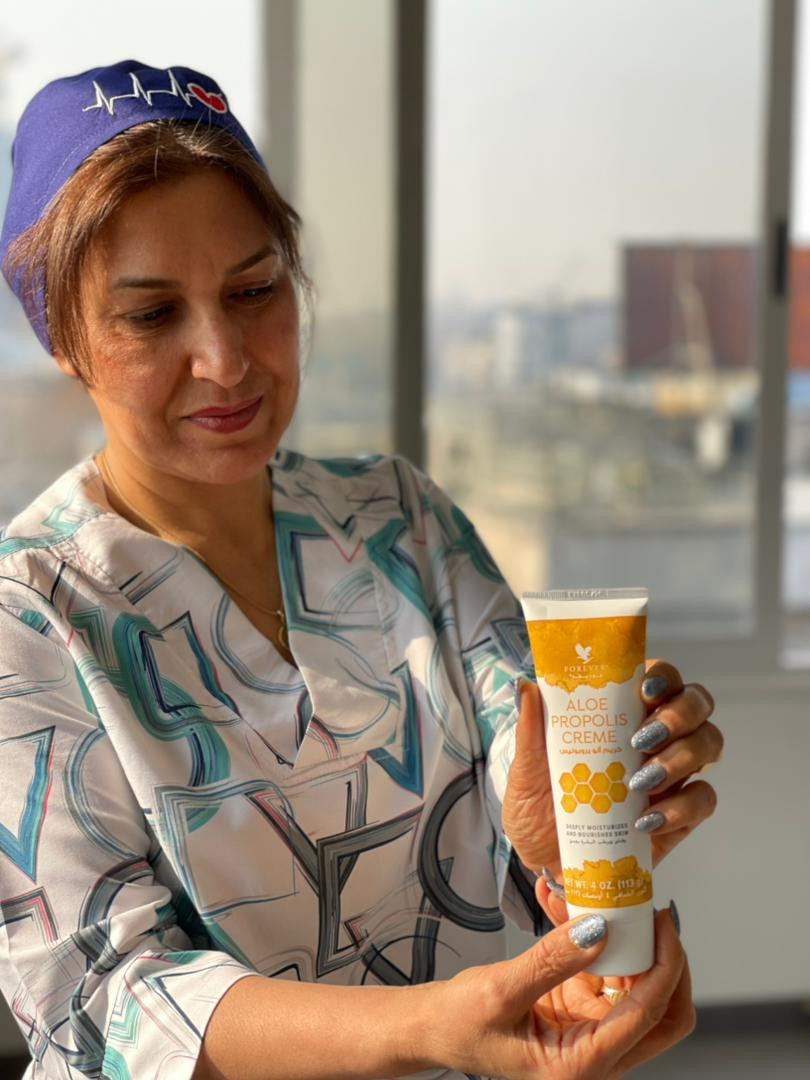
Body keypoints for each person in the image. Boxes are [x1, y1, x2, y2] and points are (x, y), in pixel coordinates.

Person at [0, 61, 721, 1080]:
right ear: (65, 340)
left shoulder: (398, 518)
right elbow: (103, 1001)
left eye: (254, 290)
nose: (226, 358)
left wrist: (578, 842)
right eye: (152, 315)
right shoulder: (31, 612)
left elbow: (529, 793)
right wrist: (429, 1027)